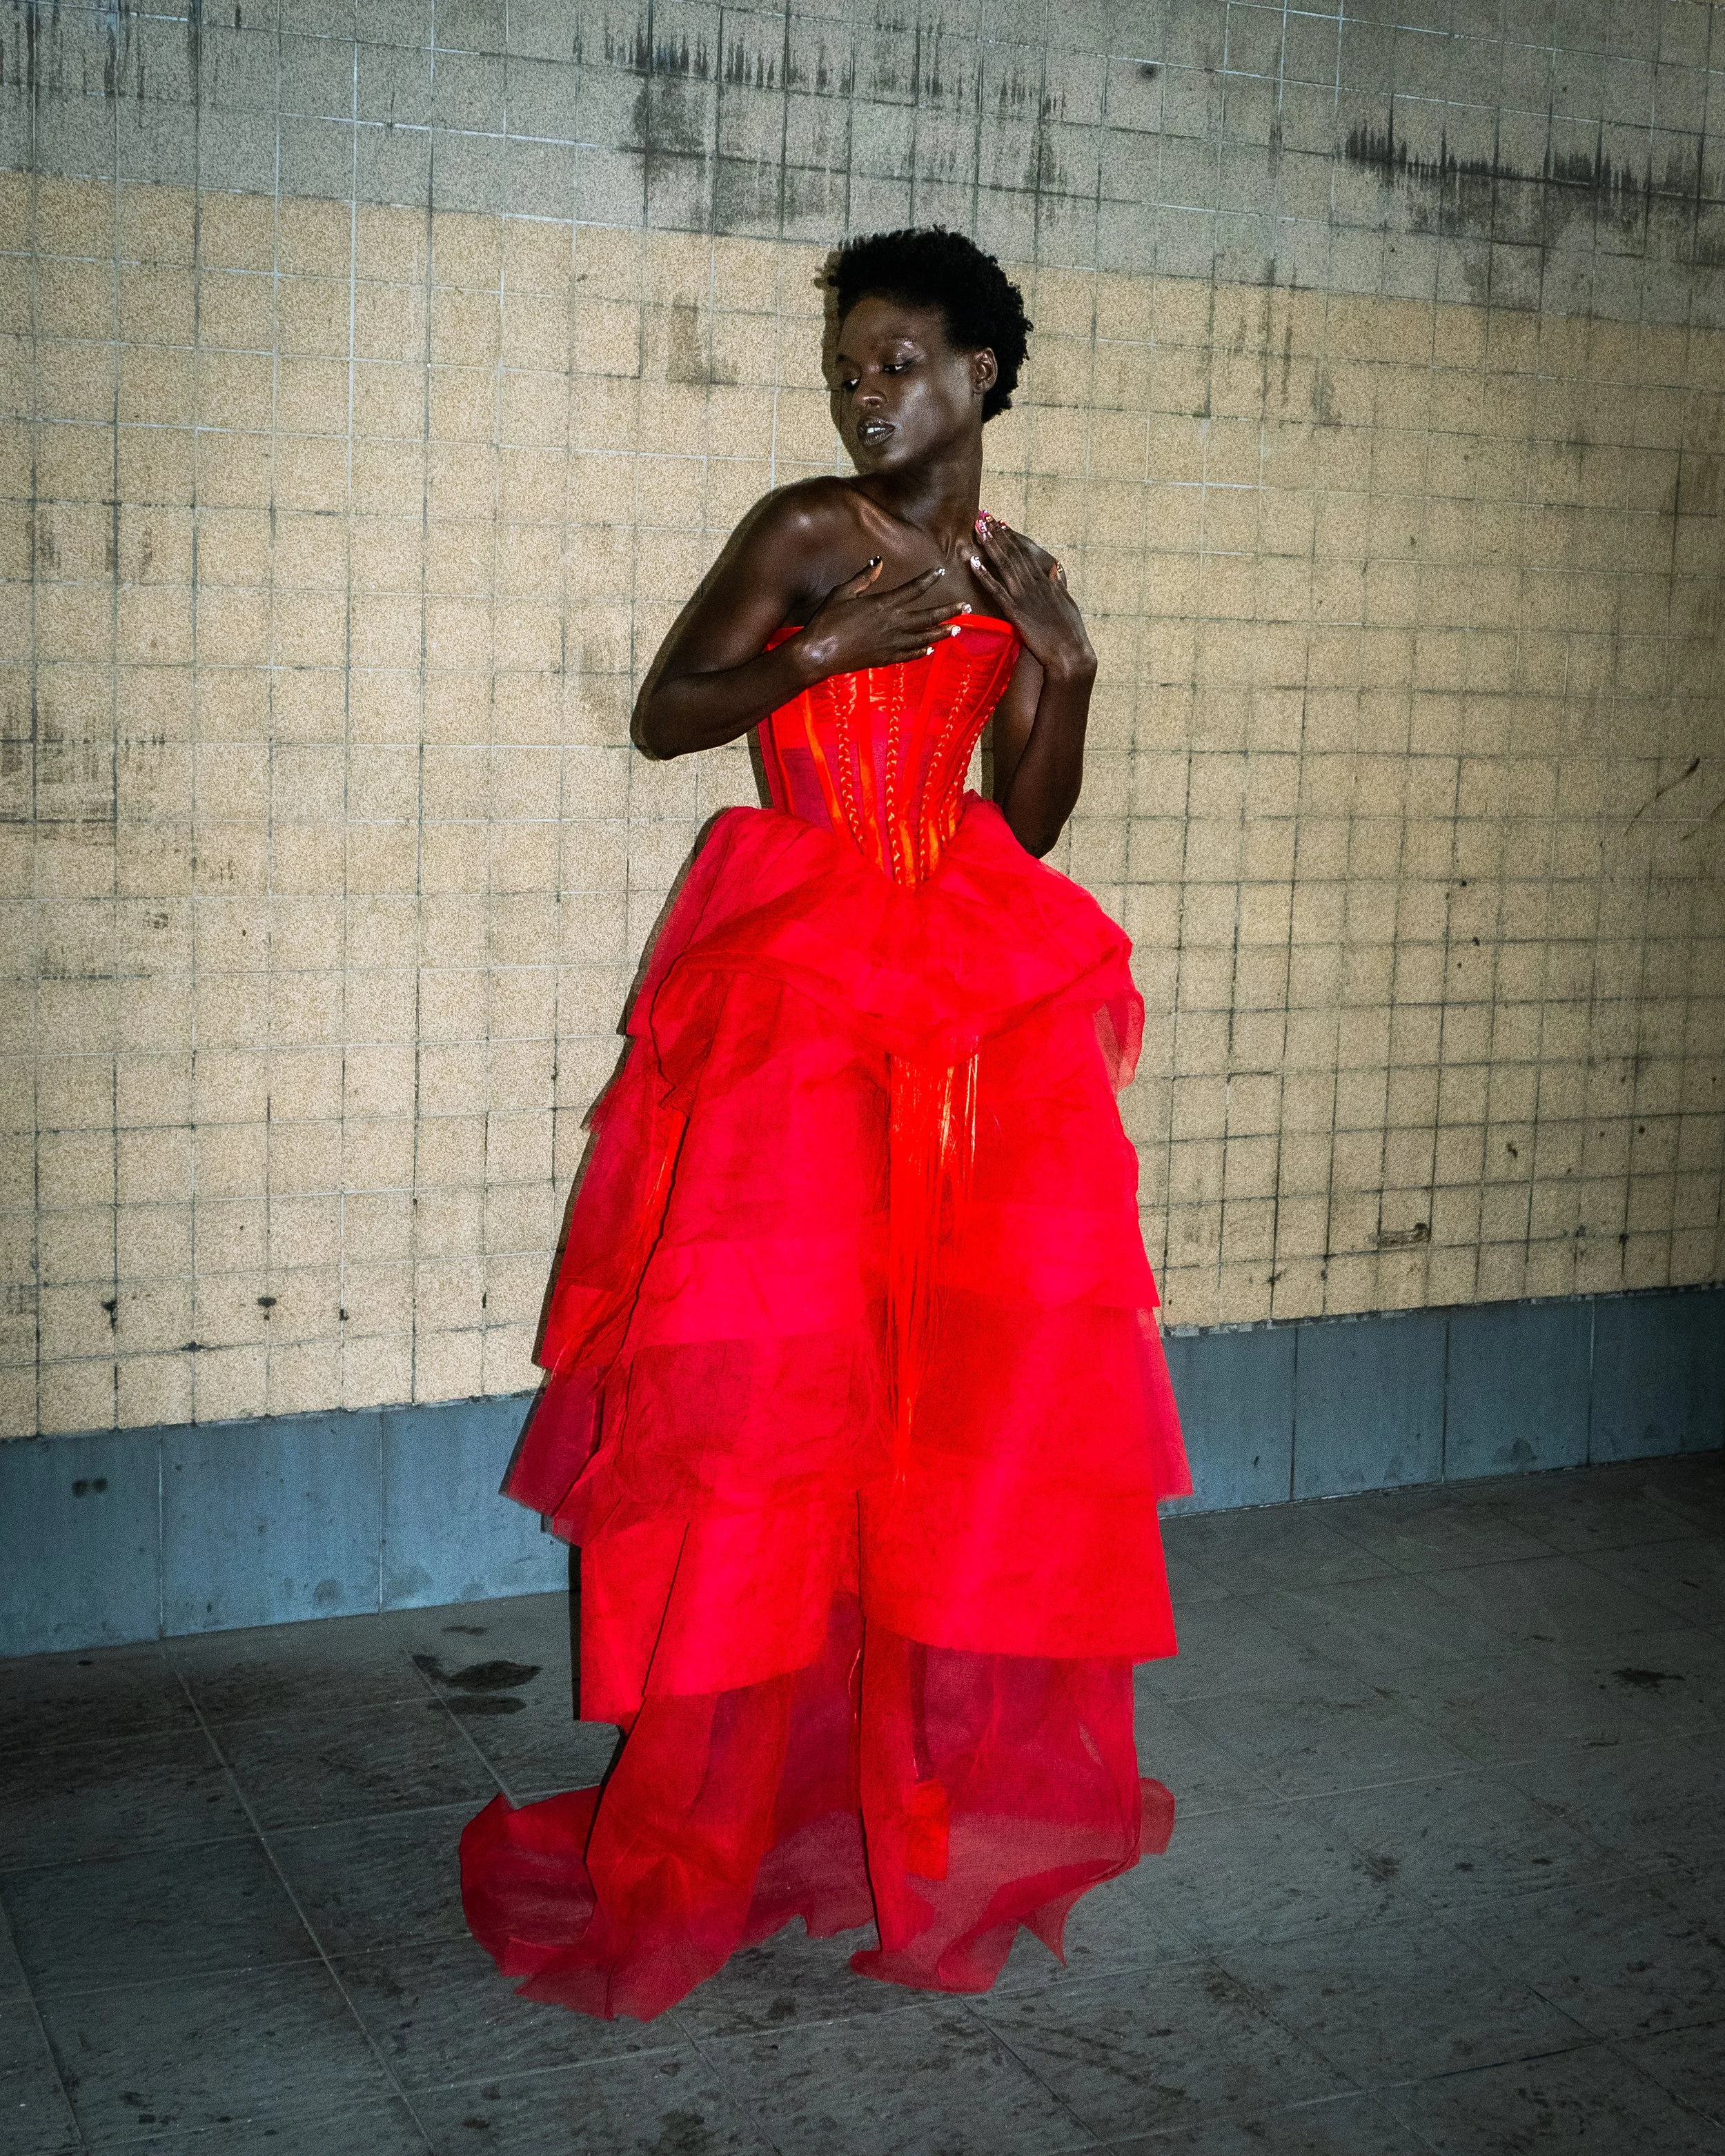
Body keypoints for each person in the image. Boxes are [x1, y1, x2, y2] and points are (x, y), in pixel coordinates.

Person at [460, 228, 1190, 2021]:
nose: (866, 395)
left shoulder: (1006, 567)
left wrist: (1067, 671)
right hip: (800, 999)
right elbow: (664, 717)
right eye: (850, 368)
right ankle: (734, 1803)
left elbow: (1027, 822)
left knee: (946, 1404)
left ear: (982, 375)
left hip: (960, 1006)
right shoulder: (806, 530)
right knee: (778, 1399)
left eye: (898, 365)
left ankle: (907, 1792)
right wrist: (819, 654)